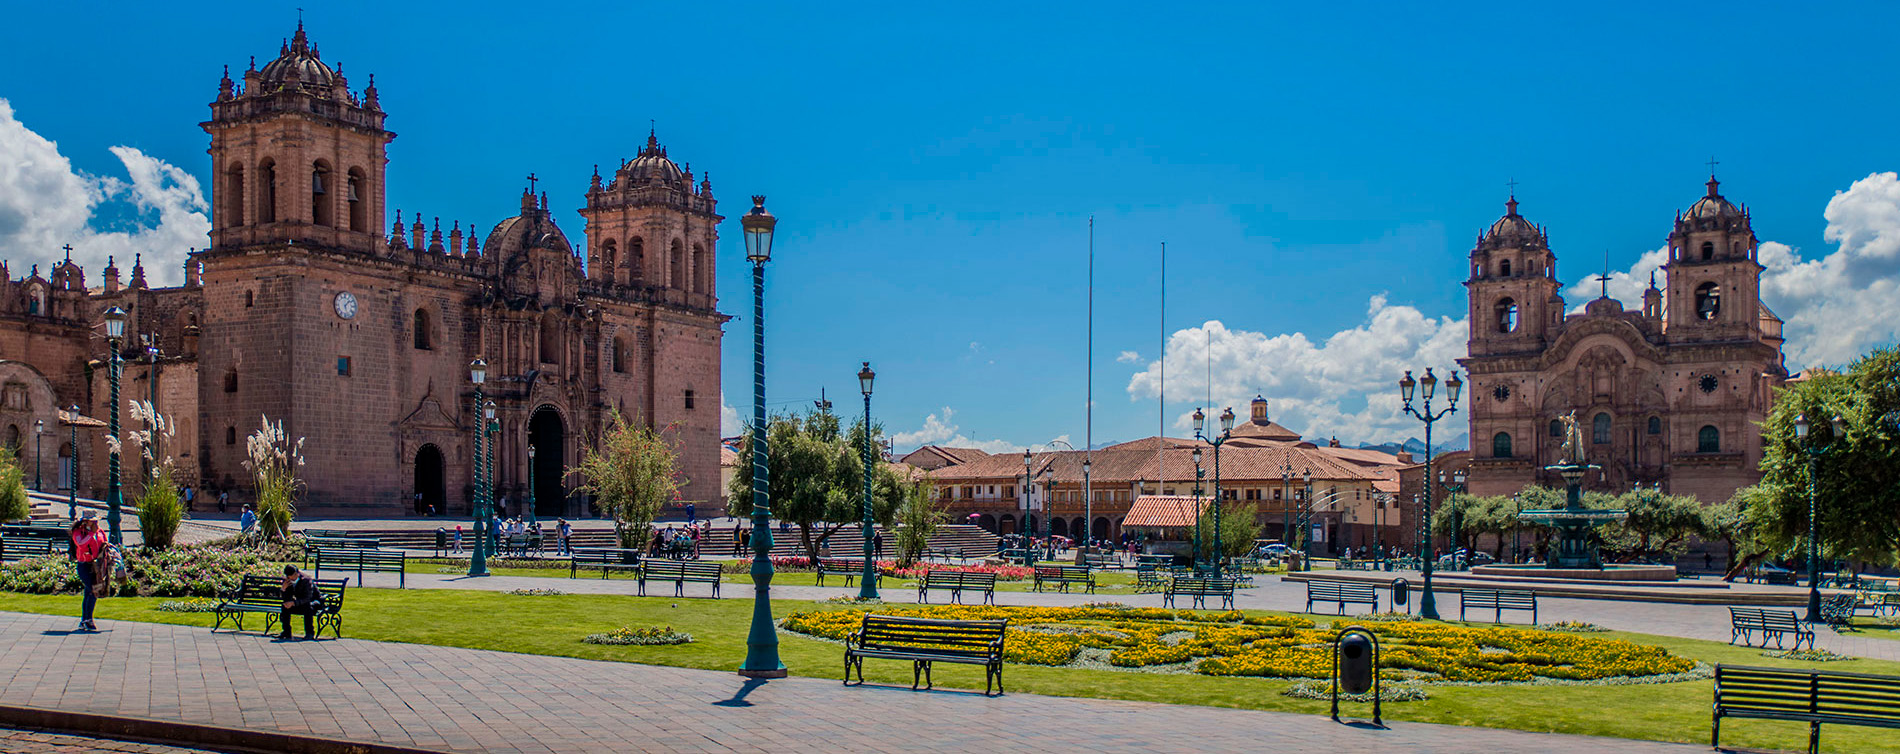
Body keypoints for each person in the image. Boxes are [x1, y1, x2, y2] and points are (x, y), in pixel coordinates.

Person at [70, 513, 108, 631]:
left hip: (96, 565)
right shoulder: (78, 532)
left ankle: (85, 620)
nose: (95, 523)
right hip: (84, 565)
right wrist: (91, 533)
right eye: (92, 521)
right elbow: (81, 544)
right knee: (92, 589)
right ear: (85, 521)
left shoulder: (100, 531)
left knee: (89, 592)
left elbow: (104, 543)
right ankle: (88, 619)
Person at [279, 565, 320, 640]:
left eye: (292, 576)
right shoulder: (287, 581)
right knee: (284, 607)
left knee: (308, 607)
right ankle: (286, 632)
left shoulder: (306, 580)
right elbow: (286, 598)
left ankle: (309, 633)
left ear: (296, 573)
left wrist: (293, 603)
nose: (290, 578)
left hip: (313, 602)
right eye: (288, 576)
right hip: (299, 603)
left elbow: (308, 598)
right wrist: (283, 589)